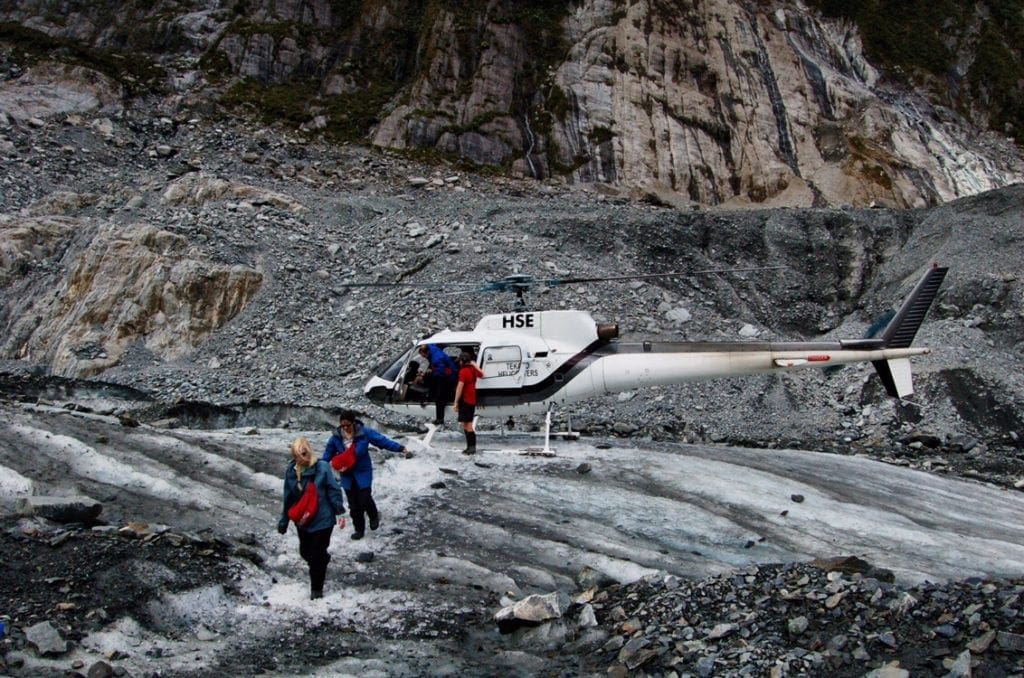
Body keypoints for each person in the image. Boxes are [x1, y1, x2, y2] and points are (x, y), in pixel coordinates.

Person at [322, 410, 409, 540]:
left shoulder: (364, 432)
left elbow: (381, 441)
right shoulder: (336, 437)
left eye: (348, 425)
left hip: (362, 470)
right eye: (343, 425)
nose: (346, 428)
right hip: (346, 473)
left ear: (353, 423)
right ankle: (359, 530)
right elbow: (328, 453)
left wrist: (400, 448)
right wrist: (320, 466)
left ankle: (373, 515)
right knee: (353, 505)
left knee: (364, 498)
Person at [277, 437, 346, 600]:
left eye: (304, 453)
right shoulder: (291, 472)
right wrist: (284, 520)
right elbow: (288, 496)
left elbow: (333, 489)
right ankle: (322, 561)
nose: (302, 457)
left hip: (323, 519)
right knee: (305, 552)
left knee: (315, 555)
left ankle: (316, 589)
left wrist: (339, 510)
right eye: (298, 455)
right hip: (304, 521)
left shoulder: (322, 467)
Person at [452, 350, 484, 455]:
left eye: (460, 361)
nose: (459, 363)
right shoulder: (473, 370)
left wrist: (456, 401)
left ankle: (471, 448)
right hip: (472, 399)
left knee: (468, 425)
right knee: (466, 423)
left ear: (462, 361)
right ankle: (469, 447)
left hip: (466, 400)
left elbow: (460, 387)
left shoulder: (463, 371)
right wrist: (475, 365)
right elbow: (482, 374)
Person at [418, 344, 458, 425]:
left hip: (449, 377)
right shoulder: (431, 347)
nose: (424, 357)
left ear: (427, 352)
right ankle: (429, 398)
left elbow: (440, 374)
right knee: (435, 386)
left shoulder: (437, 359)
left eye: (424, 356)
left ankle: (440, 419)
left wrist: (427, 375)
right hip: (447, 372)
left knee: (440, 398)